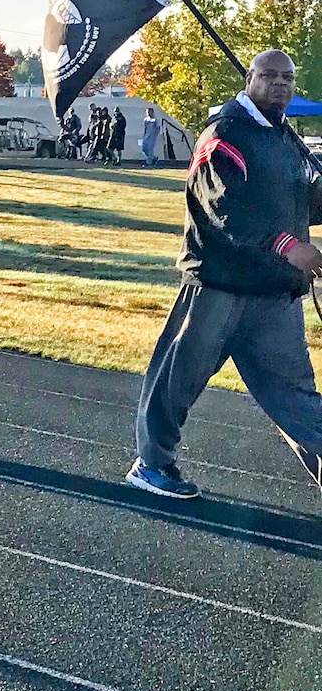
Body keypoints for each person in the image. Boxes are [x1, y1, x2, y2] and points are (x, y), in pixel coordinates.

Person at [128, 50, 322, 498]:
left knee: (295, 394)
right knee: (178, 382)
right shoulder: (225, 133)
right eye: (269, 76)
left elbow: (305, 202)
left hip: (275, 294)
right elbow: (223, 207)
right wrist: (288, 246)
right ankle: (152, 464)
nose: (280, 85)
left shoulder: (286, 138)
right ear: (249, 78)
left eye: (287, 78)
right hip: (218, 286)